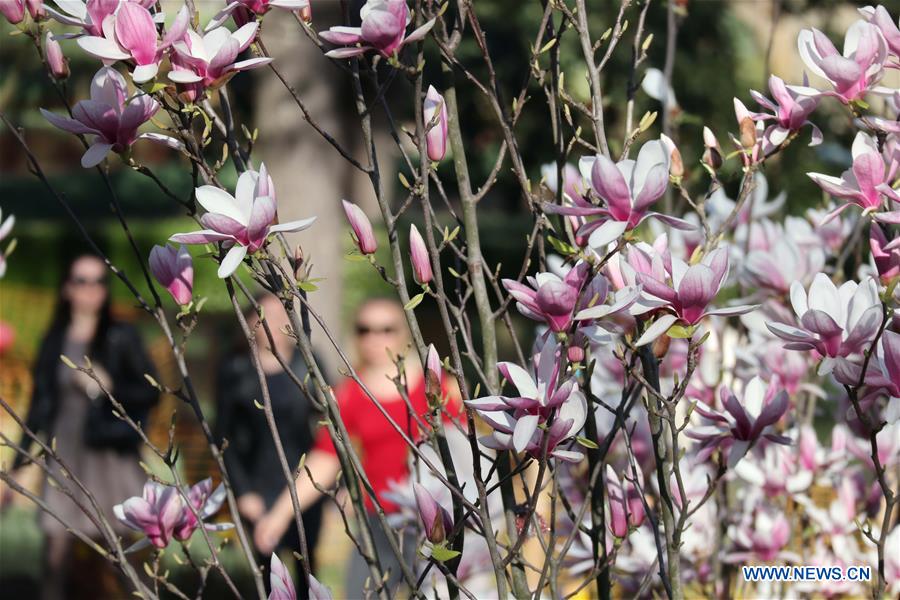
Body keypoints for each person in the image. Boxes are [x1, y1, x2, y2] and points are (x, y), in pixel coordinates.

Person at [253, 297, 461, 597]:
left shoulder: (436, 388)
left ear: (404, 332)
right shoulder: (349, 394)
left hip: (439, 521)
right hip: (379, 521)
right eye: (365, 329)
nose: (376, 338)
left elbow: (467, 448)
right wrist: (281, 514)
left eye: (386, 328)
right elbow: (325, 458)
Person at [6, 253, 159, 600]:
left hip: (110, 459)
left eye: (98, 282)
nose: (90, 290)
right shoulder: (55, 339)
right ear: (67, 288)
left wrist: (109, 386)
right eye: (81, 281)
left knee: (126, 558)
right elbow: (39, 407)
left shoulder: (121, 336)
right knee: (55, 556)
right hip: (67, 461)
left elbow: (151, 391)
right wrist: (18, 465)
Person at [215, 294, 325, 593]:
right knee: (267, 570)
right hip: (258, 483)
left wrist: (335, 485)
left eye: (281, 315)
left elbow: (330, 429)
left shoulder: (309, 364)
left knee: (307, 567)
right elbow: (224, 436)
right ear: (249, 321)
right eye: (264, 315)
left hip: (304, 482)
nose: (273, 323)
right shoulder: (234, 369)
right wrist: (243, 491)